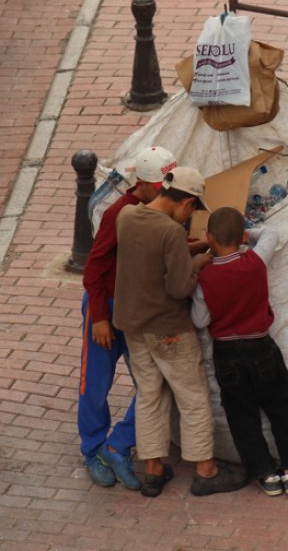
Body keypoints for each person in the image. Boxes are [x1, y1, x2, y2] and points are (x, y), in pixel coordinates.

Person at [113, 167, 247, 498]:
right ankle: (205, 470)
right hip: (168, 329)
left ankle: (154, 471)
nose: (190, 216)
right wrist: (201, 262)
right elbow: (178, 287)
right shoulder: (171, 232)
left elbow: (150, 254)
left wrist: (193, 248)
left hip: (133, 323)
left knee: (149, 395)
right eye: (192, 209)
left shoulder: (128, 216)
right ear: (186, 202)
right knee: (193, 398)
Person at [191, 206, 288, 496]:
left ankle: (265, 475)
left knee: (241, 416)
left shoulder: (206, 278)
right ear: (240, 237)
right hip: (260, 346)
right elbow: (270, 234)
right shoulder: (254, 261)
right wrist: (247, 233)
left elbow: (199, 320)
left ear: (208, 237)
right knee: (281, 406)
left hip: (226, 353)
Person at [79, 146, 177, 490]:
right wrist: (99, 318)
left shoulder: (165, 208)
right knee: (95, 386)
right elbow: (94, 268)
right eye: (161, 186)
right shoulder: (118, 213)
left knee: (155, 383)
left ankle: (117, 444)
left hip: (138, 312)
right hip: (105, 307)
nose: (166, 192)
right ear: (144, 183)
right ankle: (92, 451)